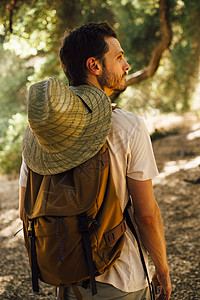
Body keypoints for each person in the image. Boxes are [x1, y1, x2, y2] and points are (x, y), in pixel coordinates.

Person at [19, 22, 171, 299]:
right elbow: (147, 216)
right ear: (94, 65)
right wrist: (162, 268)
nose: (126, 65)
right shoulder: (129, 126)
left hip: (66, 281)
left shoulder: (39, 134)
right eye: (118, 57)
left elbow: (24, 212)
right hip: (122, 279)